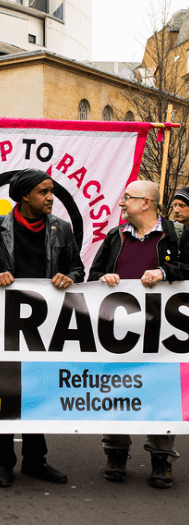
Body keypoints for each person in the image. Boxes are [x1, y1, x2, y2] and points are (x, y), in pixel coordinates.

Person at [0, 168, 84, 488]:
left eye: (52, 191)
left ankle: (35, 460)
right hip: (2, 324)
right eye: (44, 192)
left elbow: (77, 268)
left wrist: (69, 277)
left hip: (43, 327)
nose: (50, 197)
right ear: (23, 196)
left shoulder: (62, 229)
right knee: (3, 393)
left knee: (37, 392)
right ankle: (3, 462)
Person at [88, 180, 189, 489]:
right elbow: (92, 276)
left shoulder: (178, 235)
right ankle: (115, 454)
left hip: (164, 334)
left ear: (146, 203)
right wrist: (104, 278)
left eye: (127, 198)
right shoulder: (114, 237)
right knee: (116, 391)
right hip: (120, 334)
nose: (121, 203)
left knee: (161, 392)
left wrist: (166, 272)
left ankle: (161, 460)